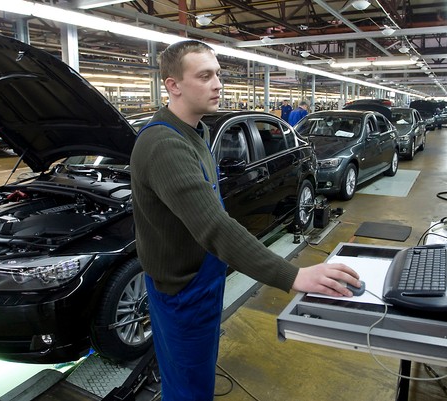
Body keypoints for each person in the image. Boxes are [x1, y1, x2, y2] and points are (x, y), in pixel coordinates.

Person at [129, 40, 361, 401]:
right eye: (204, 76)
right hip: (183, 291)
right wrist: (294, 275)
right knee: (188, 387)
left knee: (197, 373)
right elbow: (214, 226)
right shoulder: (164, 145)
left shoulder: (197, 132)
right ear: (173, 85)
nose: (218, 84)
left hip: (203, 277)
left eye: (218, 74)